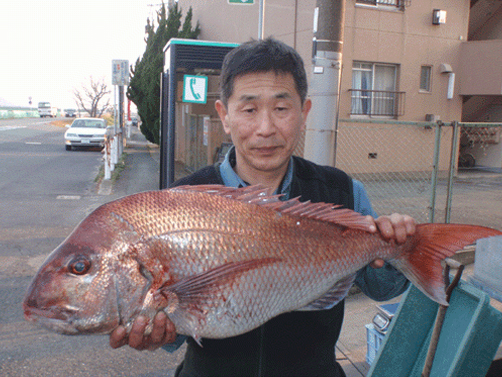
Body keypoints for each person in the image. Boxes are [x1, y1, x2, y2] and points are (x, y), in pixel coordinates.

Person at [110, 37, 415, 376]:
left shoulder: (342, 192)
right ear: (225, 116)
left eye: (281, 108)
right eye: (249, 109)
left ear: (304, 113)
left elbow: (384, 290)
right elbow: (172, 336)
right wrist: (155, 333)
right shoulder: (183, 201)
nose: (266, 128)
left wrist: (398, 248)